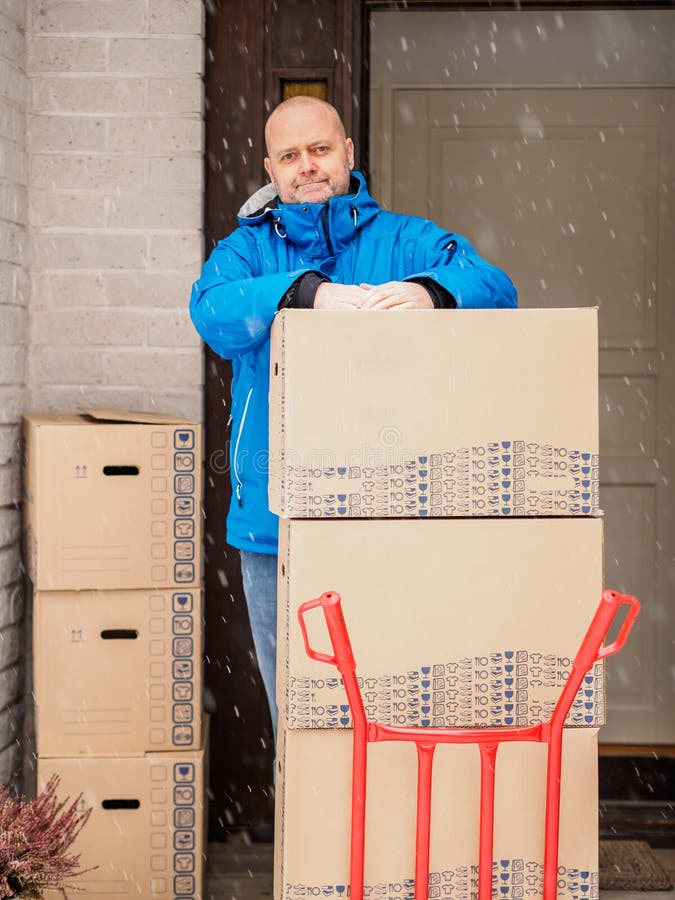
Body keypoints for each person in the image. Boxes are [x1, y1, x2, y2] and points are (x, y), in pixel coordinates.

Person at [189, 96, 517, 735]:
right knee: (301, 718)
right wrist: (307, 293)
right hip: (276, 522)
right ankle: (313, 835)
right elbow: (212, 311)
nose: (306, 167)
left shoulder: (404, 240)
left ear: (348, 153)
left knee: (395, 710)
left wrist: (431, 292)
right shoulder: (246, 252)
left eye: (319, 150)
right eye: (289, 156)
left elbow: (495, 287)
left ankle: (383, 835)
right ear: (270, 169)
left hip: (393, 516)